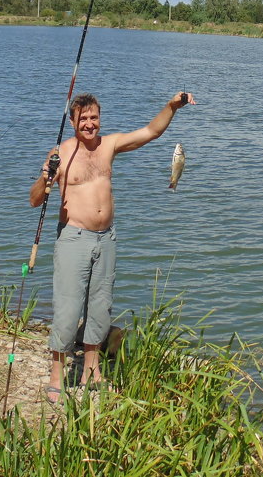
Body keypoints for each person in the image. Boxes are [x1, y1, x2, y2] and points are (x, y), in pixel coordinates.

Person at [29, 90, 195, 401]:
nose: (90, 124)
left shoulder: (110, 146)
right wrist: (45, 180)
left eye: (94, 117)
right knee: (67, 309)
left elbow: (151, 132)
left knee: (101, 309)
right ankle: (56, 375)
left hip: (106, 239)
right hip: (73, 239)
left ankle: (92, 370)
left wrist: (173, 106)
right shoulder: (60, 154)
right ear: (74, 122)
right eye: (83, 119)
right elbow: (34, 199)